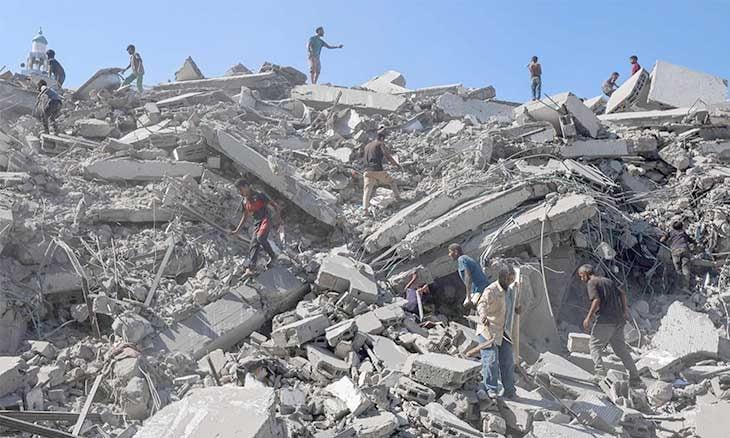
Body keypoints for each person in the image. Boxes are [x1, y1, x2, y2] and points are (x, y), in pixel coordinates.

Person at [577, 264, 641, 386]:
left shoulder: (592, 283)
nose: (581, 279)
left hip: (605, 321)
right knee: (621, 350)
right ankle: (635, 377)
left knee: (594, 346)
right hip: (618, 320)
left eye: (581, 276)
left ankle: (600, 374)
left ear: (586, 274)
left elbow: (596, 300)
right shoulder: (607, 281)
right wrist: (624, 311)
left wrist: (588, 318)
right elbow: (622, 294)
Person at [475, 265, 517, 399]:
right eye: (509, 279)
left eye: (512, 279)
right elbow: (481, 304)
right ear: (502, 278)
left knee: (508, 361)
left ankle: (510, 391)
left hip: (503, 331)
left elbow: (509, 307)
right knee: (491, 359)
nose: (510, 282)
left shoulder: (510, 291)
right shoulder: (491, 290)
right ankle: (490, 389)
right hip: (489, 330)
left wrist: (517, 309)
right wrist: (483, 315)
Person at [230, 179, 282, 278]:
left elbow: (275, 206)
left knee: (260, 238)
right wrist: (237, 231)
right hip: (257, 222)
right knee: (254, 243)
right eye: (238, 190)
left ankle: (273, 256)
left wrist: (279, 221)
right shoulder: (244, 201)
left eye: (240, 189)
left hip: (266, 218)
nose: (240, 192)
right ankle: (251, 268)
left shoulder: (259, 195)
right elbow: (245, 216)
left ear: (246, 186)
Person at [362, 129, 401, 212]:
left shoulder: (367, 146)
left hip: (366, 171)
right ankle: (398, 199)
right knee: (392, 182)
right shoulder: (380, 144)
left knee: (367, 190)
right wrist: (396, 164)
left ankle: (365, 210)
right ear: (382, 138)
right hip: (376, 169)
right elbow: (387, 155)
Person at [447, 243, 490, 308]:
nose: (449, 255)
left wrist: (468, 296)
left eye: (450, 252)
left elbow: (468, 276)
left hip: (480, 289)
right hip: (481, 288)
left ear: (456, 252)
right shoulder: (466, 258)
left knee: (471, 306)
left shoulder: (461, 259)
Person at [660, 219, 694, 291]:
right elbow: (692, 241)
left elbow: (662, 240)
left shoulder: (671, 232)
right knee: (685, 268)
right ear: (681, 227)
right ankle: (685, 287)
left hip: (675, 251)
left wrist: (666, 243)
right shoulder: (683, 233)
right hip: (684, 249)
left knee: (677, 269)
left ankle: (678, 287)